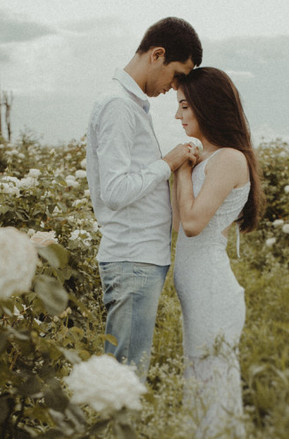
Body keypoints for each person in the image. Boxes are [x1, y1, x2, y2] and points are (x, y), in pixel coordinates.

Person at [86, 17, 203, 378]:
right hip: (132, 258)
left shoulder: (132, 105)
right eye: (178, 74)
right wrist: (167, 163)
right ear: (157, 55)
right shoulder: (119, 105)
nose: (176, 87)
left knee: (127, 370)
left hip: (139, 258)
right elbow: (116, 191)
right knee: (125, 376)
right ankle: (115, 435)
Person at [171, 67, 264, 439]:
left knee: (212, 377)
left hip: (211, 288)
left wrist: (182, 168)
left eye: (185, 106)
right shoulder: (212, 159)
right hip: (201, 289)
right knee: (201, 377)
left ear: (207, 108)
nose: (178, 116)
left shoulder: (227, 159)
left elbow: (192, 224)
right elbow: (180, 221)